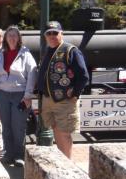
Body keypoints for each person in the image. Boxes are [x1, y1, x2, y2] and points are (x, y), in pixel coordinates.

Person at [37, 21, 89, 159]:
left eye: (55, 33)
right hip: (49, 99)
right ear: (45, 36)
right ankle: (63, 161)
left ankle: (68, 165)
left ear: (61, 33)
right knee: (56, 130)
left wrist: (75, 94)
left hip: (64, 100)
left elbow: (83, 76)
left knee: (64, 133)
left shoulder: (70, 50)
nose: (52, 36)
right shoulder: (48, 51)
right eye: (49, 33)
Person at [0, 26, 37, 167]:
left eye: (14, 35)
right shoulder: (2, 54)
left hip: (19, 95)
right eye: (9, 35)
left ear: (19, 38)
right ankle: (8, 154)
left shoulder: (25, 54)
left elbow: (33, 75)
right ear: (5, 38)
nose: (12, 38)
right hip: (3, 94)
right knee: (6, 126)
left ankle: (19, 155)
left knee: (18, 126)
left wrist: (28, 95)